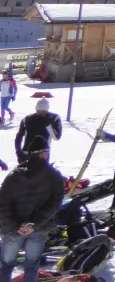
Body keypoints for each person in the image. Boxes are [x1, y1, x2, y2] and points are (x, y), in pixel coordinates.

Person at [0, 135, 63, 282]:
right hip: (38, 229)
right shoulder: (54, 176)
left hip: (12, 230)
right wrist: (33, 224)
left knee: (6, 264)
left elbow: (2, 205)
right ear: (43, 153)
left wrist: (15, 226)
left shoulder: (14, 175)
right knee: (31, 265)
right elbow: (55, 204)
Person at [14, 101, 61, 165]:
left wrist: (49, 125)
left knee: (40, 174)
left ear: (46, 110)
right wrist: (18, 152)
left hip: (42, 154)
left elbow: (57, 137)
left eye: (42, 112)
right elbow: (19, 136)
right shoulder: (27, 119)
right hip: (27, 153)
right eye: (38, 111)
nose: (40, 113)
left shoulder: (54, 118)